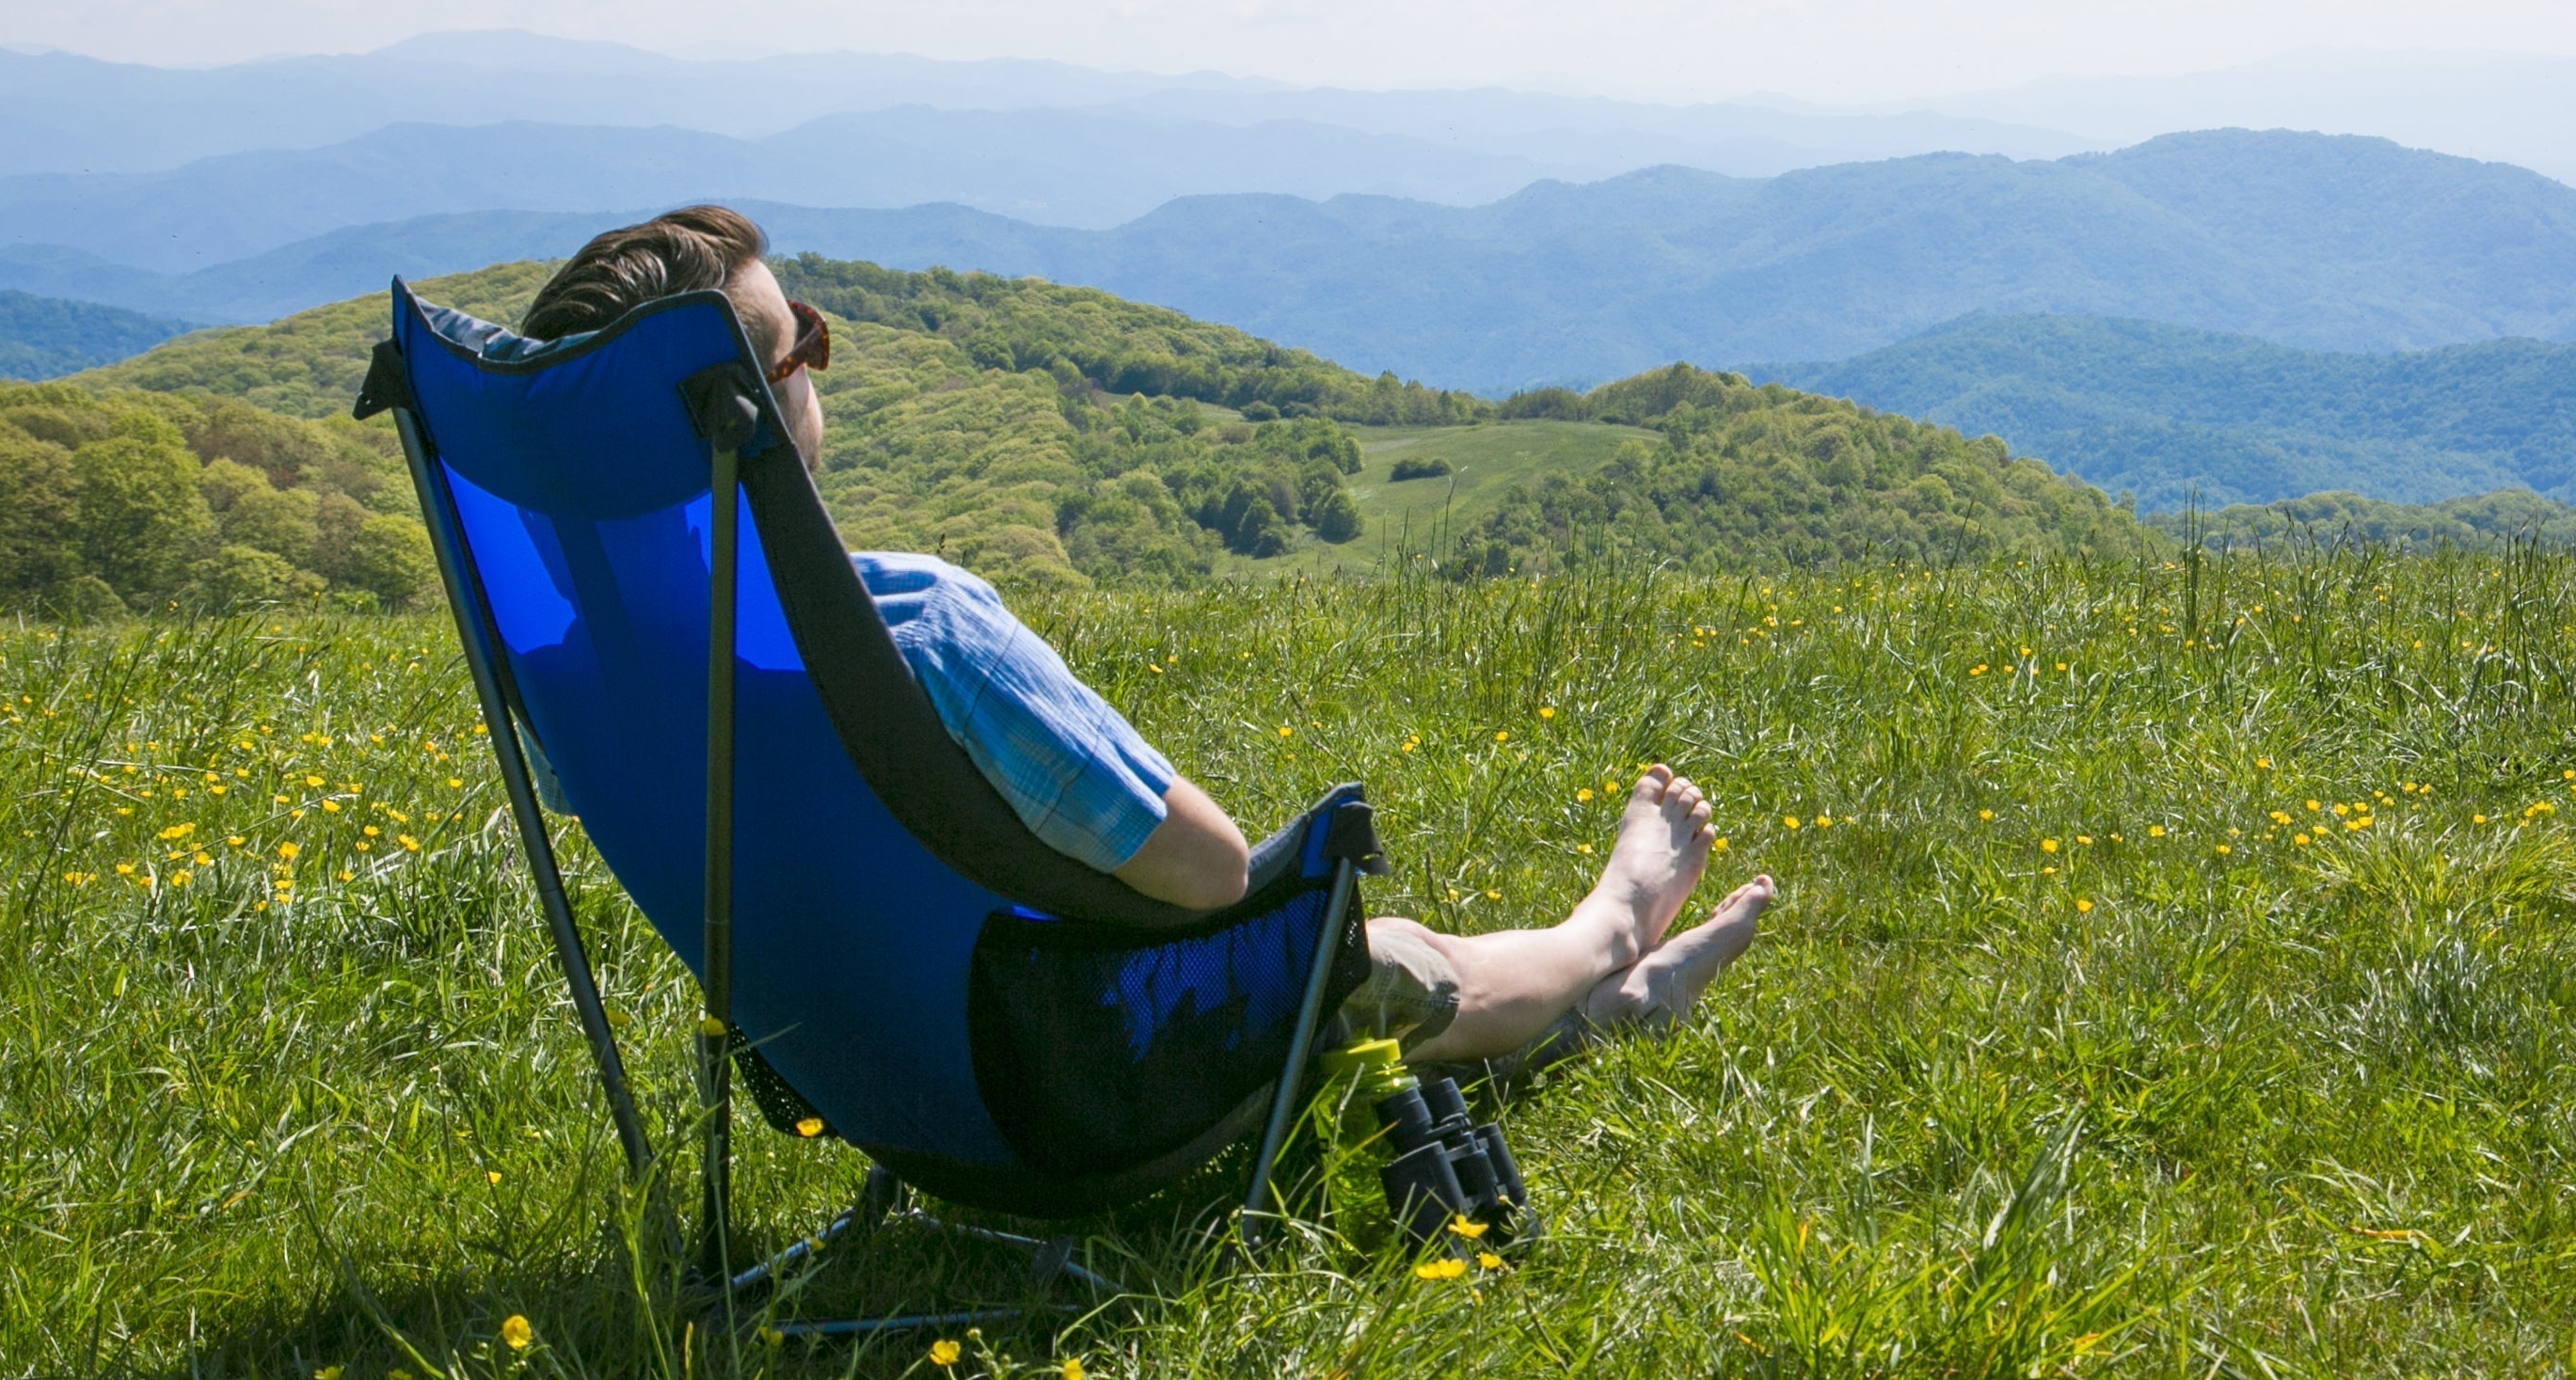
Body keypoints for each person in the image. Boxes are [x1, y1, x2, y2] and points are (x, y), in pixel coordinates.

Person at [517, 206, 1775, 1068]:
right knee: (1367, 958)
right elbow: (1209, 874)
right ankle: (1610, 939)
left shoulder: (582, 680)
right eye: (813, 345)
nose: (822, 366)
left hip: (851, 1061)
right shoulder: (921, 631)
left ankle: (1602, 1003)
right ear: (763, 403)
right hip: (1068, 1064)